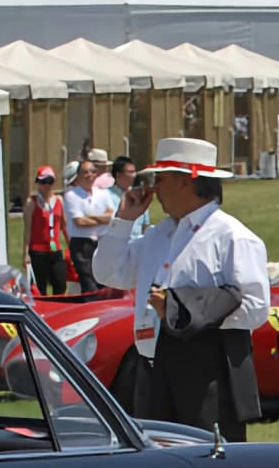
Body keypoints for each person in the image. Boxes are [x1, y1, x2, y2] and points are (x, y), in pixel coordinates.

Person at [91, 137, 269, 441]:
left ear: (187, 181)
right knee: (159, 462)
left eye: (161, 179)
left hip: (206, 376)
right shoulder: (157, 235)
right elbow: (109, 273)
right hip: (152, 370)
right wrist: (124, 221)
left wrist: (182, 310)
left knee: (206, 460)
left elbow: (255, 308)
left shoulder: (233, 237)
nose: (154, 188)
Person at [63, 160, 111, 289]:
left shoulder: (103, 193)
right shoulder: (71, 195)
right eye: (85, 172)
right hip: (82, 244)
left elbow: (111, 217)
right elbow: (80, 221)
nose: (90, 174)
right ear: (78, 175)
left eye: (93, 171)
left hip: (101, 242)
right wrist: (102, 219)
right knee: (89, 284)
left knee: (103, 283)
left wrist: (91, 217)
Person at [23, 165, 69, 296]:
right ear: (38, 182)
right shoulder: (31, 202)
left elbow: (64, 226)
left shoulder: (59, 200)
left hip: (55, 250)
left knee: (60, 284)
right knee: (39, 288)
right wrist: (26, 253)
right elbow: (27, 230)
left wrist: (70, 245)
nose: (47, 185)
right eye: (43, 182)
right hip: (38, 252)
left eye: (50, 181)